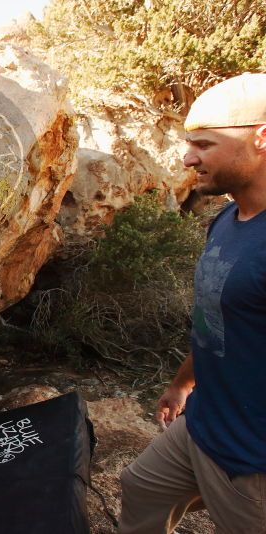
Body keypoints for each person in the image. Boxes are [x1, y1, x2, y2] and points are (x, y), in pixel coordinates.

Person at [119, 73, 266, 533]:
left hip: (250, 458)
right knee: (140, 486)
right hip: (203, 424)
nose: (188, 158)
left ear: (261, 138)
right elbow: (216, 320)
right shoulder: (227, 218)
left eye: (204, 144)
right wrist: (184, 384)